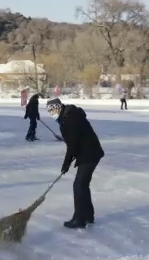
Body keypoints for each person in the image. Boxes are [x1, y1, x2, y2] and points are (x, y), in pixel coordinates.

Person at [46, 98, 104, 229]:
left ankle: (79, 219)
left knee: (78, 186)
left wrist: (66, 163)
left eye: (53, 110)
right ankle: (88, 215)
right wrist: (67, 162)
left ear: (59, 107)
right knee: (82, 185)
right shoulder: (68, 116)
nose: (52, 113)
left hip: (90, 154)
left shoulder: (69, 119)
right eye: (49, 111)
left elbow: (72, 145)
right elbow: (74, 143)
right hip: (89, 152)